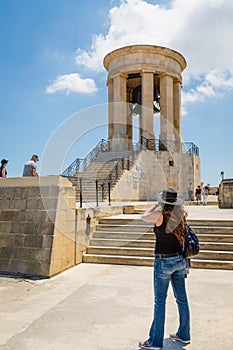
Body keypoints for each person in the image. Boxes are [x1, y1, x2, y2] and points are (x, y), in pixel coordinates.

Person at [139, 188, 190, 350]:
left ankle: (155, 341)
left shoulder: (159, 216)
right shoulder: (180, 216)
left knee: (160, 301)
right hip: (179, 260)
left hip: (164, 262)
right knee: (181, 298)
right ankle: (184, 334)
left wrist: (155, 205)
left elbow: (143, 216)